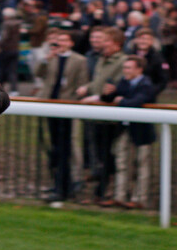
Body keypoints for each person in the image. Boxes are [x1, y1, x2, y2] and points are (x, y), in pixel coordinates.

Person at [34, 31, 89, 202]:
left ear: (71, 43)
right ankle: (58, 183)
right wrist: (46, 59)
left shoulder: (80, 60)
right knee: (54, 147)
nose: (60, 43)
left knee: (65, 148)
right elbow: (38, 73)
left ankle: (65, 185)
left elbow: (82, 83)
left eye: (64, 40)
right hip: (50, 104)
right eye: (58, 40)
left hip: (66, 106)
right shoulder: (52, 57)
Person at [99, 56, 157, 209]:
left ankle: (140, 199)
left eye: (129, 68)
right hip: (124, 129)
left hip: (142, 131)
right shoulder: (124, 82)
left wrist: (120, 100)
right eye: (124, 67)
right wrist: (106, 94)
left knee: (142, 165)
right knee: (121, 162)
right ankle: (119, 196)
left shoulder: (147, 85)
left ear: (139, 69)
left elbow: (136, 102)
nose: (125, 71)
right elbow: (111, 98)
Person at [78, 27, 128, 202]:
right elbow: (98, 81)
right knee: (98, 153)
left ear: (117, 44)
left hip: (110, 116)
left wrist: (98, 96)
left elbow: (117, 86)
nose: (103, 44)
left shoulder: (123, 61)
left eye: (107, 41)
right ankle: (102, 187)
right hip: (96, 114)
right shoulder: (102, 59)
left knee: (107, 154)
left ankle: (105, 189)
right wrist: (87, 88)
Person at [0, 7, 21, 96]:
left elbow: (4, 36)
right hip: (15, 48)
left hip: (6, 49)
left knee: (2, 69)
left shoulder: (6, 24)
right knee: (13, 70)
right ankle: (14, 89)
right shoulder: (18, 23)